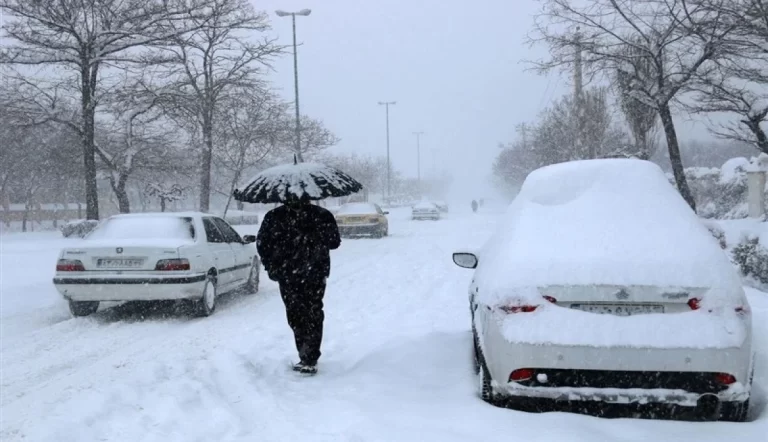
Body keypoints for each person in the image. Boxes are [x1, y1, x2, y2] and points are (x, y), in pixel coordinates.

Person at [256, 196, 341, 374]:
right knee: (312, 312)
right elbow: (334, 242)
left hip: (292, 274)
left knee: (297, 313)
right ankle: (308, 355)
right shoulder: (321, 215)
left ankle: (307, 355)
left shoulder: (275, 216)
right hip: (309, 274)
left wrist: (272, 265)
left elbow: (263, 245)